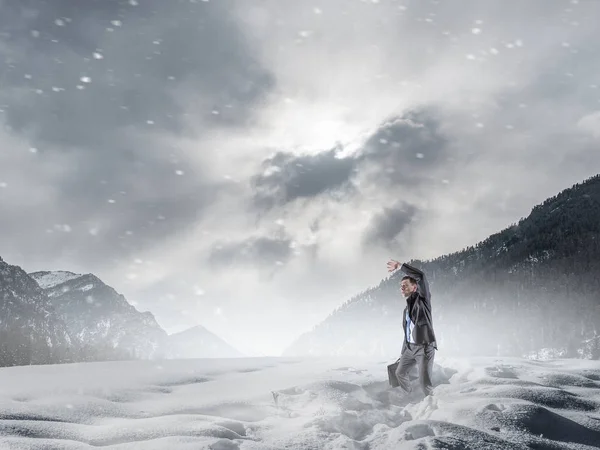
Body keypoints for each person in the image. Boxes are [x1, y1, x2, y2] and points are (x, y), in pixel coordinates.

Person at [386, 259, 437, 396]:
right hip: (409, 349)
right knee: (399, 372)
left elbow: (421, 277)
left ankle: (434, 408)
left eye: (405, 285)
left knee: (425, 383)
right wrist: (404, 351)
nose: (402, 288)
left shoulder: (423, 301)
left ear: (415, 287)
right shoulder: (406, 310)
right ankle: (409, 396)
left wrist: (400, 266)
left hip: (424, 347)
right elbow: (407, 332)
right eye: (401, 286)